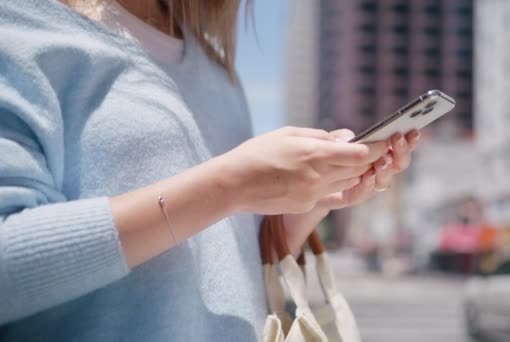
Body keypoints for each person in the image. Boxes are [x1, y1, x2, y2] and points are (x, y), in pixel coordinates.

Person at [0, 0, 420, 340]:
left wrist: (310, 201)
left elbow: (227, 260)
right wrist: (230, 185)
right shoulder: (21, 29)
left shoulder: (218, 73)